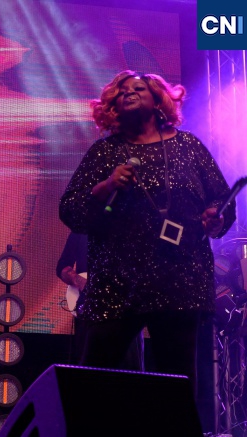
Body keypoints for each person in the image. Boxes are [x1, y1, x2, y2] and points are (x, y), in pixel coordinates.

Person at [59, 70, 236, 394]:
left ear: (158, 100)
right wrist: (106, 186)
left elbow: (221, 199)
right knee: (94, 385)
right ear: (112, 106)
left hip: (180, 279)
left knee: (178, 386)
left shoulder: (188, 147)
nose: (128, 92)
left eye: (138, 88)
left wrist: (216, 217)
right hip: (115, 282)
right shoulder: (105, 152)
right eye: (121, 91)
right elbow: (71, 210)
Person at [56, 231, 144, 370]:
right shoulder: (81, 231)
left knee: (129, 367)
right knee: (90, 366)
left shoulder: (133, 229)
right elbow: (62, 267)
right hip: (90, 309)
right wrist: (79, 281)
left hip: (126, 310)